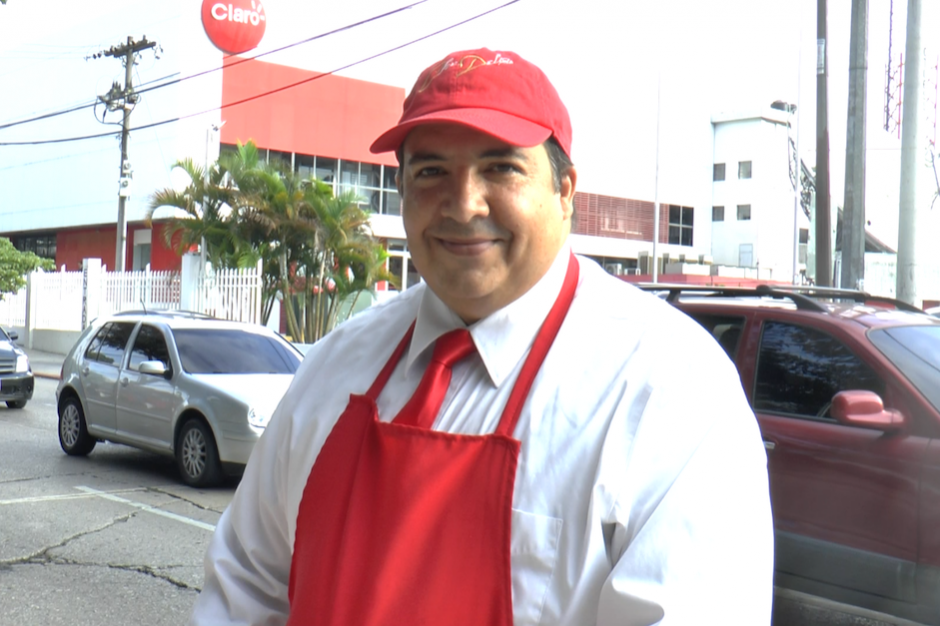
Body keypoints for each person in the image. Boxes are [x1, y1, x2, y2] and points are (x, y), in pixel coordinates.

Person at [190, 48, 774, 626]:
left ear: (565, 190)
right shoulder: (335, 365)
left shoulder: (667, 389)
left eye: (501, 168)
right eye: (431, 172)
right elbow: (246, 585)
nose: (463, 205)